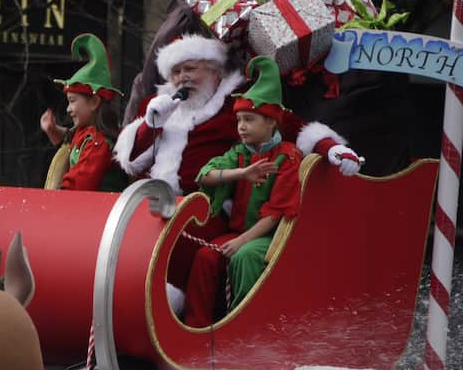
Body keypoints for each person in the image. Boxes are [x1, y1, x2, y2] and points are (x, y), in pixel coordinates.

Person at [112, 32, 360, 311]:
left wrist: (331, 148)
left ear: (214, 70)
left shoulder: (236, 105)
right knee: (124, 237)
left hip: (208, 206)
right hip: (157, 202)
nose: (182, 78)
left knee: (183, 243)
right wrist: (152, 123)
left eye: (191, 68)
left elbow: (293, 127)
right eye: (176, 71)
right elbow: (130, 160)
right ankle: (129, 304)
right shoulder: (159, 107)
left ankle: (176, 313)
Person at [183, 56, 302, 327]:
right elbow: (205, 174)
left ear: (271, 121)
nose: (241, 127)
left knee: (245, 257)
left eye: (249, 119)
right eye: (238, 120)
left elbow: (277, 214)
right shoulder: (240, 154)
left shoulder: (288, 157)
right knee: (205, 256)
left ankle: (242, 330)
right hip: (238, 232)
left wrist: (241, 241)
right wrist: (242, 174)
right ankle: (197, 329)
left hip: (270, 237)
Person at [39, 33, 126, 192]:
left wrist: (54, 202)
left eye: (72, 101)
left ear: (94, 102)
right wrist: (53, 130)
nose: (68, 109)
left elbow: (79, 185)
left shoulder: (98, 142)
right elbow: (71, 140)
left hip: (101, 214)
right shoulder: (87, 134)